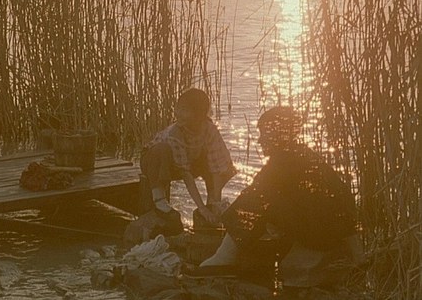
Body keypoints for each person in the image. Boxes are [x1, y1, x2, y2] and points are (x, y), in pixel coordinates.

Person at [186, 106, 365, 288]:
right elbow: (343, 202)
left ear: (278, 134)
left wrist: (224, 216)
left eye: (264, 134)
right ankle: (231, 256)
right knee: (261, 194)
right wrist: (357, 251)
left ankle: (225, 258)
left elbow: (252, 200)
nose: (260, 140)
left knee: (256, 196)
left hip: (318, 237)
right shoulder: (306, 156)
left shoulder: (281, 164)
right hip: (329, 234)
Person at [140, 88, 236, 229]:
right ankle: (159, 198)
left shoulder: (209, 129)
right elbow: (186, 175)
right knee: (161, 150)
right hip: (157, 163)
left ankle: (212, 202)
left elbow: (216, 167)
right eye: (178, 108)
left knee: (224, 165)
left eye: (184, 110)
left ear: (199, 115)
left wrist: (215, 200)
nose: (178, 113)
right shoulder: (174, 134)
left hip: (189, 161)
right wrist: (201, 208)